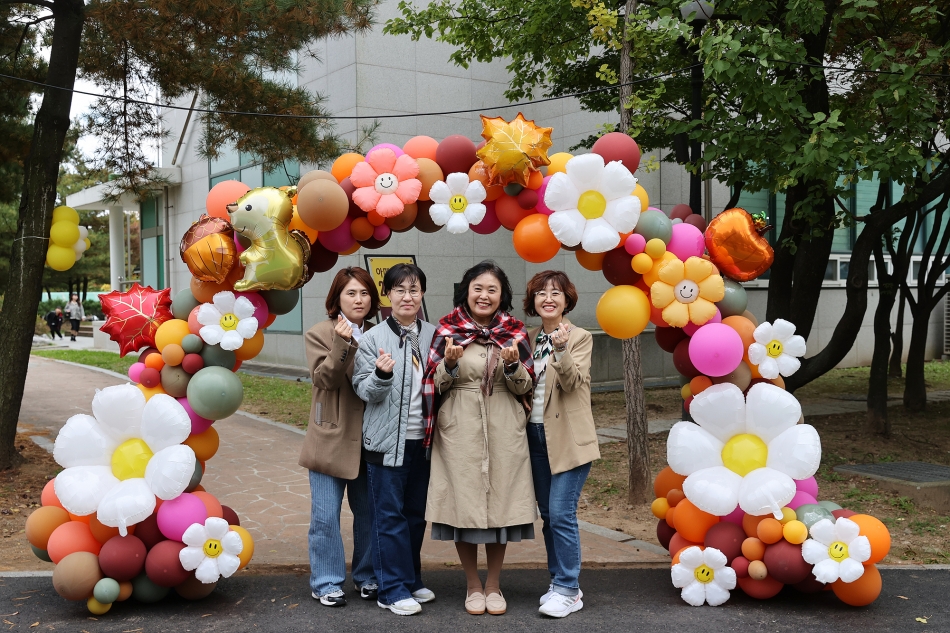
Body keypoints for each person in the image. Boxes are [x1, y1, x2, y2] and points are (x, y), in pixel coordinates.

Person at [423, 260, 536, 616]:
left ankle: (494, 585)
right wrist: (449, 365)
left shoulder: (515, 332)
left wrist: (513, 366)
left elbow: (525, 387)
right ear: (466, 291)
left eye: (492, 289)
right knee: (462, 506)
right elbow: (434, 384)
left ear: (502, 296)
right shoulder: (447, 330)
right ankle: (473, 585)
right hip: (459, 425)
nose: (484, 295)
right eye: (478, 288)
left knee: (502, 505)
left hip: (504, 424)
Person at [352, 263, 437, 616]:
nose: (407, 296)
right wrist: (381, 375)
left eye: (414, 290)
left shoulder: (434, 335)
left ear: (422, 294)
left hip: (424, 442)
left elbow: (443, 384)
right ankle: (391, 589)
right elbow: (363, 389)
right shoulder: (373, 339)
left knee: (415, 515)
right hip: (387, 443)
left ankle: (411, 579)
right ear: (387, 295)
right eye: (399, 290)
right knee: (389, 517)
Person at [298, 267, 380, 607]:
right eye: (351, 293)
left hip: (370, 438)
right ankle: (326, 582)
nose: (358, 300)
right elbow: (324, 380)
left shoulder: (380, 332)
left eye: (364, 293)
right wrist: (342, 343)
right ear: (337, 298)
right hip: (330, 437)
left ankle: (367, 576)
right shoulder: (320, 333)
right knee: (325, 516)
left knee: (369, 513)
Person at [524, 271, 600, 618]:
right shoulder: (529, 338)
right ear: (533, 301)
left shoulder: (580, 337)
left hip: (569, 439)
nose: (548, 299)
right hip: (535, 435)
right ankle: (559, 582)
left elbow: (573, 382)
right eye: (541, 293)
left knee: (561, 513)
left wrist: (561, 348)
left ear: (567, 300)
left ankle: (569, 589)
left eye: (556, 293)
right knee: (547, 515)